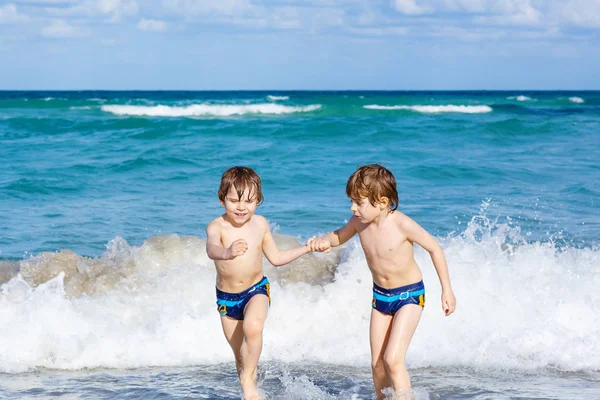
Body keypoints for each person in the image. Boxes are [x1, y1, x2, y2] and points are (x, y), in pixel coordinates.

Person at [310, 164, 456, 399]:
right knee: (378, 365)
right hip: (381, 298)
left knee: (393, 360)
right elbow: (339, 236)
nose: (352, 207)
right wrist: (323, 241)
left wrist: (446, 290)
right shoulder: (359, 222)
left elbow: (435, 249)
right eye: (352, 201)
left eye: (359, 202)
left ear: (381, 201)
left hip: (409, 296)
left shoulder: (402, 224)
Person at [206, 166, 322, 400]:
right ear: (221, 200)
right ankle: (251, 387)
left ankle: (250, 388)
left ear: (258, 200)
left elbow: (277, 258)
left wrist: (306, 249)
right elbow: (211, 249)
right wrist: (226, 252)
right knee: (241, 356)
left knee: (253, 327)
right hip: (227, 299)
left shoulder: (260, 224)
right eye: (234, 201)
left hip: (256, 290)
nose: (241, 207)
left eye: (249, 201)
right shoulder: (216, 226)